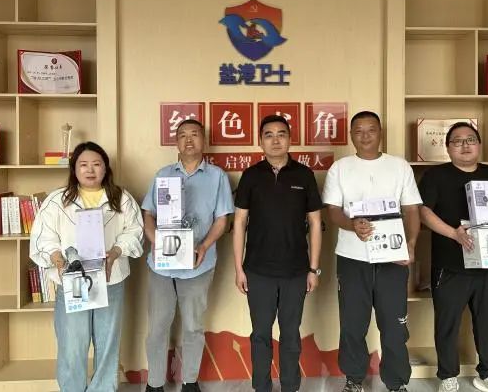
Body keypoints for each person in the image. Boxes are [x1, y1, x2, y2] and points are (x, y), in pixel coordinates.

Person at [30, 141, 144, 392]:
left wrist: (116, 252)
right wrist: (57, 258)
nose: (90, 170)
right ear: (74, 169)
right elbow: (44, 236)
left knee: (107, 342)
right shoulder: (57, 200)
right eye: (83, 165)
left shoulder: (121, 198)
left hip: (111, 280)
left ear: (106, 168)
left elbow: (134, 231)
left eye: (96, 164)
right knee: (72, 343)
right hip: (73, 281)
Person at [322, 111, 421, 392]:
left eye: (371, 130)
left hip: (393, 258)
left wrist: (411, 244)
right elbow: (333, 211)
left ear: (381, 133)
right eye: (359, 131)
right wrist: (352, 225)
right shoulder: (340, 168)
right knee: (352, 324)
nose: (365, 136)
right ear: (351, 135)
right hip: (352, 258)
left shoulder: (399, 167)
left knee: (394, 325)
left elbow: (412, 209)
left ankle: (396, 382)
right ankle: (354, 379)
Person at [418, 122, 488, 392]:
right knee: (447, 322)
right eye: (457, 141)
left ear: (479, 144)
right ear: (447, 147)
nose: (465, 145)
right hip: (450, 264)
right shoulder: (435, 175)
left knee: (487, 321)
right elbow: (423, 212)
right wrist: (453, 233)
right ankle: (447, 376)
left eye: (470, 139)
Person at [233, 114, 323, 392]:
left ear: (290, 139)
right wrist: (239, 269)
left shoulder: (304, 175)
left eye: (281, 134)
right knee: (260, 334)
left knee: (290, 335)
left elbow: (316, 223)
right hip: (258, 270)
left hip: (296, 271)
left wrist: (313, 269)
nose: (275, 140)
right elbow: (239, 223)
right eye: (269, 135)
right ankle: (261, 386)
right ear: (260, 141)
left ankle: (290, 386)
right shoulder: (251, 176)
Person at [143, 119, 234, 392]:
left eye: (194, 134)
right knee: (158, 326)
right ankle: (155, 384)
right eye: (182, 135)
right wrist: (156, 240)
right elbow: (148, 214)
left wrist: (204, 246)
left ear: (204, 140)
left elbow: (222, 219)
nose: (189, 140)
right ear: (177, 143)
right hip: (162, 266)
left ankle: (190, 381)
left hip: (198, 264)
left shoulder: (217, 177)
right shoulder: (163, 174)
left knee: (193, 326)